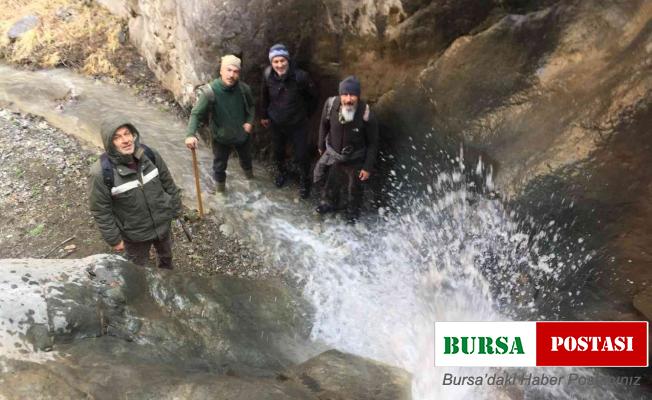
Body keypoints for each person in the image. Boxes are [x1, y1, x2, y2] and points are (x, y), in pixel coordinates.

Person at [89, 117, 182, 269]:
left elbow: (168, 183)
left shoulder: (150, 155)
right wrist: (114, 239)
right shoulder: (101, 173)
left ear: (133, 135)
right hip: (134, 234)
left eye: (127, 134)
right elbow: (101, 209)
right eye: (117, 137)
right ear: (109, 143)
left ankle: (166, 279)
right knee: (137, 268)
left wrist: (176, 209)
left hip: (162, 222)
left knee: (166, 257)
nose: (125, 140)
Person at [185, 54, 255, 193]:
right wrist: (190, 134)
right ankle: (220, 194)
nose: (231, 75)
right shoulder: (210, 91)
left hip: (242, 135)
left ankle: (251, 182)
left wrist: (249, 122)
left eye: (235, 72)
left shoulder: (243, 89)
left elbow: (252, 106)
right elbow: (196, 113)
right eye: (228, 70)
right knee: (219, 166)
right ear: (221, 71)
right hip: (221, 137)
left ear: (239, 73)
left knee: (247, 160)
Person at [313, 76, 379, 223]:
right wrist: (320, 145)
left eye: (353, 95)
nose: (348, 99)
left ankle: (352, 214)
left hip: (355, 158)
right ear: (340, 94)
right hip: (335, 154)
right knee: (330, 180)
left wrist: (367, 167)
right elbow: (324, 125)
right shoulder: (331, 105)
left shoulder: (366, 113)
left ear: (358, 96)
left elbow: (373, 143)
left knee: (354, 189)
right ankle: (329, 203)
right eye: (345, 94)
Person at [261, 43, 318, 198]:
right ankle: (281, 173)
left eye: (282, 60)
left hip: (297, 123)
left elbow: (313, 98)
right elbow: (265, 96)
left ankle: (305, 182)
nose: (279, 65)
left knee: (301, 155)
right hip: (276, 122)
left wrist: (306, 115)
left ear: (287, 59)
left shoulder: (301, 77)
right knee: (278, 151)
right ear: (271, 63)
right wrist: (264, 115)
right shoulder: (268, 75)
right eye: (275, 62)